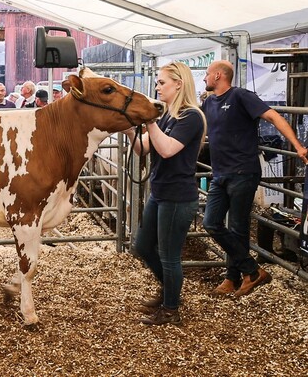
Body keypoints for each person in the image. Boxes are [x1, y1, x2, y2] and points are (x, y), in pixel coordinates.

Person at [201, 60, 308, 297]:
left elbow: (273, 117)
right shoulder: (208, 103)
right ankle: (251, 271)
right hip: (219, 174)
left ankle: (233, 277)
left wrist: (298, 146)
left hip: (243, 171)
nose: (204, 78)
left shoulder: (240, 96)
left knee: (238, 227)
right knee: (211, 222)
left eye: (207, 74)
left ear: (218, 75)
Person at [124, 61, 205, 326]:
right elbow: (143, 148)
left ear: (178, 84)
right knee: (144, 247)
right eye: (158, 83)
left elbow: (168, 149)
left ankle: (171, 309)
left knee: (169, 256)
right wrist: (126, 125)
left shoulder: (191, 116)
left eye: (162, 82)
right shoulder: (169, 115)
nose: (157, 87)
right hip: (160, 192)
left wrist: (150, 121)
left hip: (178, 196)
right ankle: (171, 291)